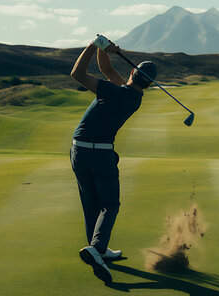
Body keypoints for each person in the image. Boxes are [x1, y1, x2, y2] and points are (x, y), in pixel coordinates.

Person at [70, 35, 157, 283]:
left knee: (92, 204)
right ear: (149, 85)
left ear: (131, 72)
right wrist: (105, 50)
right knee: (110, 205)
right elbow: (106, 68)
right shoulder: (134, 98)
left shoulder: (113, 90)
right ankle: (98, 250)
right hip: (102, 154)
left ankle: (96, 249)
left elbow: (77, 74)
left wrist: (92, 45)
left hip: (79, 151)